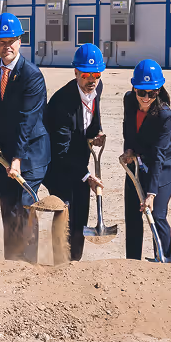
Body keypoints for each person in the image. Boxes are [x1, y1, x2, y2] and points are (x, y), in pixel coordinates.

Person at [0, 13, 50, 262]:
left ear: (20, 41)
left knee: (25, 206)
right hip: (6, 151)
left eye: (11, 40)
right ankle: (11, 261)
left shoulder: (31, 75)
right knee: (8, 207)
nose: (6, 46)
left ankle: (29, 265)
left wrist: (18, 159)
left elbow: (27, 121)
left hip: (30, 153)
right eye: (1, 41)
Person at [43, 43, 105, 261]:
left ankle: (75, 262)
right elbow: (61, 150)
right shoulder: (62, 103)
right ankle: (60, 261)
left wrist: (96, 133)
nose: (92, 80)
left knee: (81, 210)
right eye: (86, 75)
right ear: (76, 72)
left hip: (78, 159)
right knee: (65, 209)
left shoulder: (97, 87)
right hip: (57, 163)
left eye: (96, 75)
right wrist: (87, 175)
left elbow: (92, 115)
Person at [120, 60, 171, 261]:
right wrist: (128, 150)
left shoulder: (164, 114)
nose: (146, 98)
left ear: (159, 90)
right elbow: (128, 130)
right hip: (138, 163)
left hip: (164, 167)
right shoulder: (129, 100)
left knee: (156, 214)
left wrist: (152, 193)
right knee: (132, 214)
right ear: (134, 88)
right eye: (142, 92)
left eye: (152, 93)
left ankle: (163, 260)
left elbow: (159, 155)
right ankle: (132, 262)